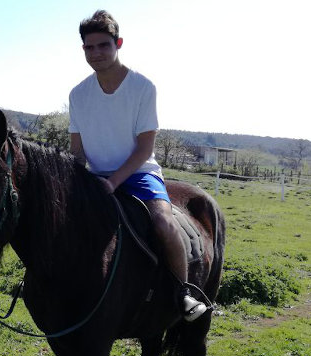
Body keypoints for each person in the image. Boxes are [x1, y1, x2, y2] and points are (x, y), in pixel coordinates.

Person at [68, 10, 207, 322]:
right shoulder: (78, 94)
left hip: (139, 173)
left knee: (163, 224)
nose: (96, 53)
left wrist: (113, 182)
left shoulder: (142, 87)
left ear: (118, 44)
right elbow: (77, 151)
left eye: (103, 45)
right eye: (89, 47)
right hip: (95, 176)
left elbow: (145, 148)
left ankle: (183, 293)